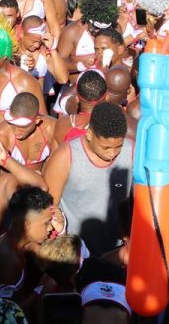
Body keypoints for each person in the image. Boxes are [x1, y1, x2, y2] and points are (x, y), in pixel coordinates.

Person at [43, 102, 133, 256]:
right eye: (105, 147)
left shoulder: (132, 151)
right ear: (89, 134)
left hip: (116, 251)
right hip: (76, 253)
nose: (112, 154)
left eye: (118, 146)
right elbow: (49, 208)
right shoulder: (65, 157)